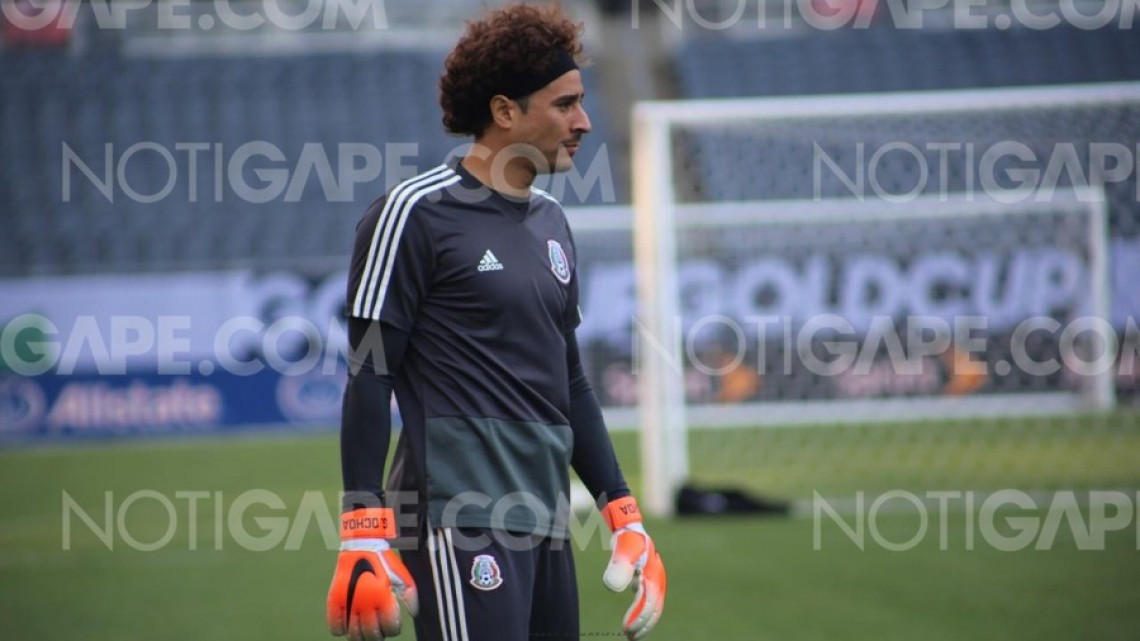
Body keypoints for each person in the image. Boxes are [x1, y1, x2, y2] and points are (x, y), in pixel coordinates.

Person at [325, 4, 666, 641]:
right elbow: (369, 372)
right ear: (505, 111)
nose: (585, 122)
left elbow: (570, 381)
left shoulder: (552, 224)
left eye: (583, 103)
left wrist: (624, 513)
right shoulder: (412, 214)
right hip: (459, 519)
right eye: (565, 105)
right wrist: (361, 529)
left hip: (547, 517)